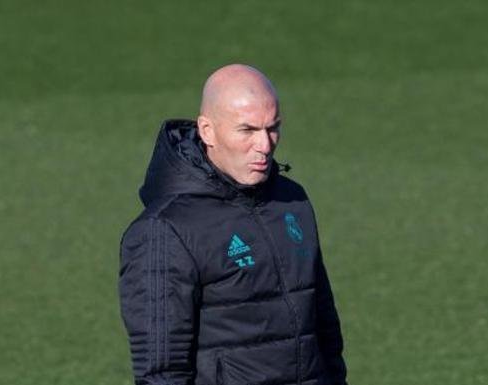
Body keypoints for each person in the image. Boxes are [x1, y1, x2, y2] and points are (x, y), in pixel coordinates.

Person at [118, 64, 347, 385]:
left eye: (272, 128)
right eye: (248, 130)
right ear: (207, 130)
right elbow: (161, 371)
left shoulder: (292, 201)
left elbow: (323, 323)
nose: (265, 146)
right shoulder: (164, 229)